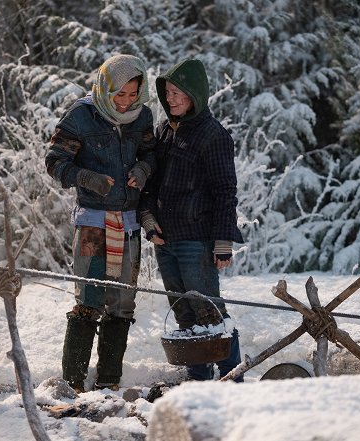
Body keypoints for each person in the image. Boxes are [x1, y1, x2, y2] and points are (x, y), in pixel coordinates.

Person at [45, 54, 156, 392]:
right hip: (93, 223)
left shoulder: (142, 117)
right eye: (119, 94)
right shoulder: (81, 115)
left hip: (129, 224)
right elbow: (54, 161)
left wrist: (143, 170)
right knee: (88, 299)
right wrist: (87, 178)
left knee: (122, 303)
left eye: (132, 94)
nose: (125, 102)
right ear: (106, 88)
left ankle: (109, 381)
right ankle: (73, 382)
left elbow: (152, 154)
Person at [139, 58, 245, 382]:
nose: (169, 99)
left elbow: (225, 192)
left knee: (209, 312)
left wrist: (223, 243)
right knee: (184, 314)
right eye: (167, 92)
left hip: (195, 241)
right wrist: (148, 219)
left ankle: (233, 378)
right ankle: (199, 380)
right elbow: (151, 182)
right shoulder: (164, 131)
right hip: (165, 240)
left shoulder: (213, 136)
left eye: (176, 93)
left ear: (195, 94)